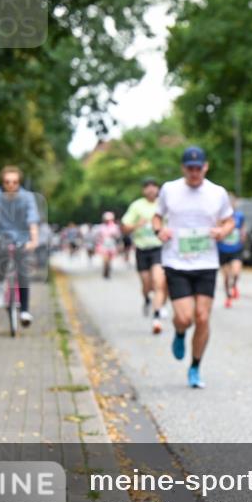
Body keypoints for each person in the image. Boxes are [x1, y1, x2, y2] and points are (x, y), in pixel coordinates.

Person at [152, 146, 234, 388]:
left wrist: (222, 231)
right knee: (185, 318)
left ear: (206, 167)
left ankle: (195, 367)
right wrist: (160, 230)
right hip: (176, 261)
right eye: (190, 168)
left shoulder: (217, 193)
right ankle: (179, 333)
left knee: (202, 317)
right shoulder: (170, 189)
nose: (195, 173)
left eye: (199, 168)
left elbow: (229, 220)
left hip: (206, 261)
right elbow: (157, 217)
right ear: (183, 168)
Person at [0, 165, 40, 326]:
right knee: (2, 258)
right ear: (2, 182)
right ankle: (0, 286)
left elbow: (32, 221)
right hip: (1, 236)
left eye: (15, 182)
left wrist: (33, 240)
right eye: (7, 182)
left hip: (22, 238)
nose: (11, 185)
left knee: (23, 272)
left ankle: (25, 311)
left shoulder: (27, 197)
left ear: (19, 182)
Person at [122, 178, 167, 333]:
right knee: (146, 284)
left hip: (159, 248)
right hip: (142, 249)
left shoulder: (164, 203)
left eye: (154, 186)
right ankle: (147, 299)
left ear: (158, 189)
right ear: (143, 190)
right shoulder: (137, 206)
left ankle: (156, 317)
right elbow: (125, 227)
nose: (150, 190)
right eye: (147, 187)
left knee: (158, 281)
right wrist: (136, 225)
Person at [217, 194, 246, 308]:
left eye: (233, 202)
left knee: (236, 272)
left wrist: (243, 235)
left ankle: (234, 286)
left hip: (236, 249)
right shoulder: (220, 217)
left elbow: (243, 228)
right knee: (226, 277)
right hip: (222, 250)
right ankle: (228, 297)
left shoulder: (239, 216)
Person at [95, 212, 122, 279]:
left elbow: (118, 236)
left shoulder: (115, 227)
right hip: (103, 245)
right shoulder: (101, 227)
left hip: (112, 245)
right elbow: (97, 236)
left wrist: (114, 236)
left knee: (110, 259)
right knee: (105, 259)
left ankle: (108, 270)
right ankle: (105, 270)